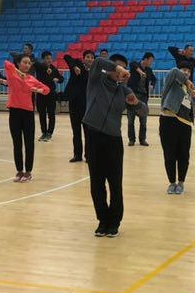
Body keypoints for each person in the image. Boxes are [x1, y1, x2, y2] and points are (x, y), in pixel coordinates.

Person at [83, 54, 138, 237]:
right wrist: (117, 67)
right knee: (96, 183)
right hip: (93, 137)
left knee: (115, 183)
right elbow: (98, 62)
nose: (118, 72)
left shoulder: (124, 90)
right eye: (116, 68)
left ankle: (114, 222)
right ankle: (102, 220)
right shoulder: (95, 80)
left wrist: (136, 103)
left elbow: (143, 110)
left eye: (122, 69)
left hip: (113, 140)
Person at [159, 61, 195, 194]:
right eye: (184, 70)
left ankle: (181, 183)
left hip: (185, 124)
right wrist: (186, 81)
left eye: (188, 71)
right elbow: (174, 71)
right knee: (169, 154)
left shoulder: (190, 88)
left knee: (183, 155)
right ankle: (172, 183)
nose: (186, 72)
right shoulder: (172, 82)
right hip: (168, 120)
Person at [4, 55, 50, 182]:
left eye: (29, 63)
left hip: (28, 114)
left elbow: (47, 89)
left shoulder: (31, 79)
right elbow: (7, 63)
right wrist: (19, 73)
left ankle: (28, 172)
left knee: (29, 143)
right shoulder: (12, 75)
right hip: (14, 113)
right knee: (17, 143)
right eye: (24, 62)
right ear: (19, 63)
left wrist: (38, 90)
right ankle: (19, 171)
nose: (27, 65)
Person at [63, 50, 94, 163]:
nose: (90, 59)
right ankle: (77, 155)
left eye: (92, 57)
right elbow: (66, 56)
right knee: (76, 131)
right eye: (87, 57)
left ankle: (88, 155)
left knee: (88, 133)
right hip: (75, 104)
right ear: (84, 58)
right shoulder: (77, 64)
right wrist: (74, 67)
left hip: (87, 105)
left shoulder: (95, 71)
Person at [127, 52, 156, 147]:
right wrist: (140, 71)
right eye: (151, 61)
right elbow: (132, 63)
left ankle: (142, 139)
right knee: (131, 119)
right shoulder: (135, 66)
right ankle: (131, 139)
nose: (151, 63)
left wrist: (152, 85)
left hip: (143, 97)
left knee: (143, 120)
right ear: (146, 59)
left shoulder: (149, 70)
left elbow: (154, 79)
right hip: (133, 95)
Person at [34, 51, 62, 142]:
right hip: (41, 94)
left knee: (51, 114)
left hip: (51, 95)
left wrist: (57, 79)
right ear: (43, 59)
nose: (49, 60)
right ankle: (44, 132)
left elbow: (61, 79)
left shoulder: (54, 69)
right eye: (47, 58)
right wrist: (45, 68)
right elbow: (35, 62)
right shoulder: (40, 67)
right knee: (41, 114)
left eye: (50, 58)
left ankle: (50, 132)